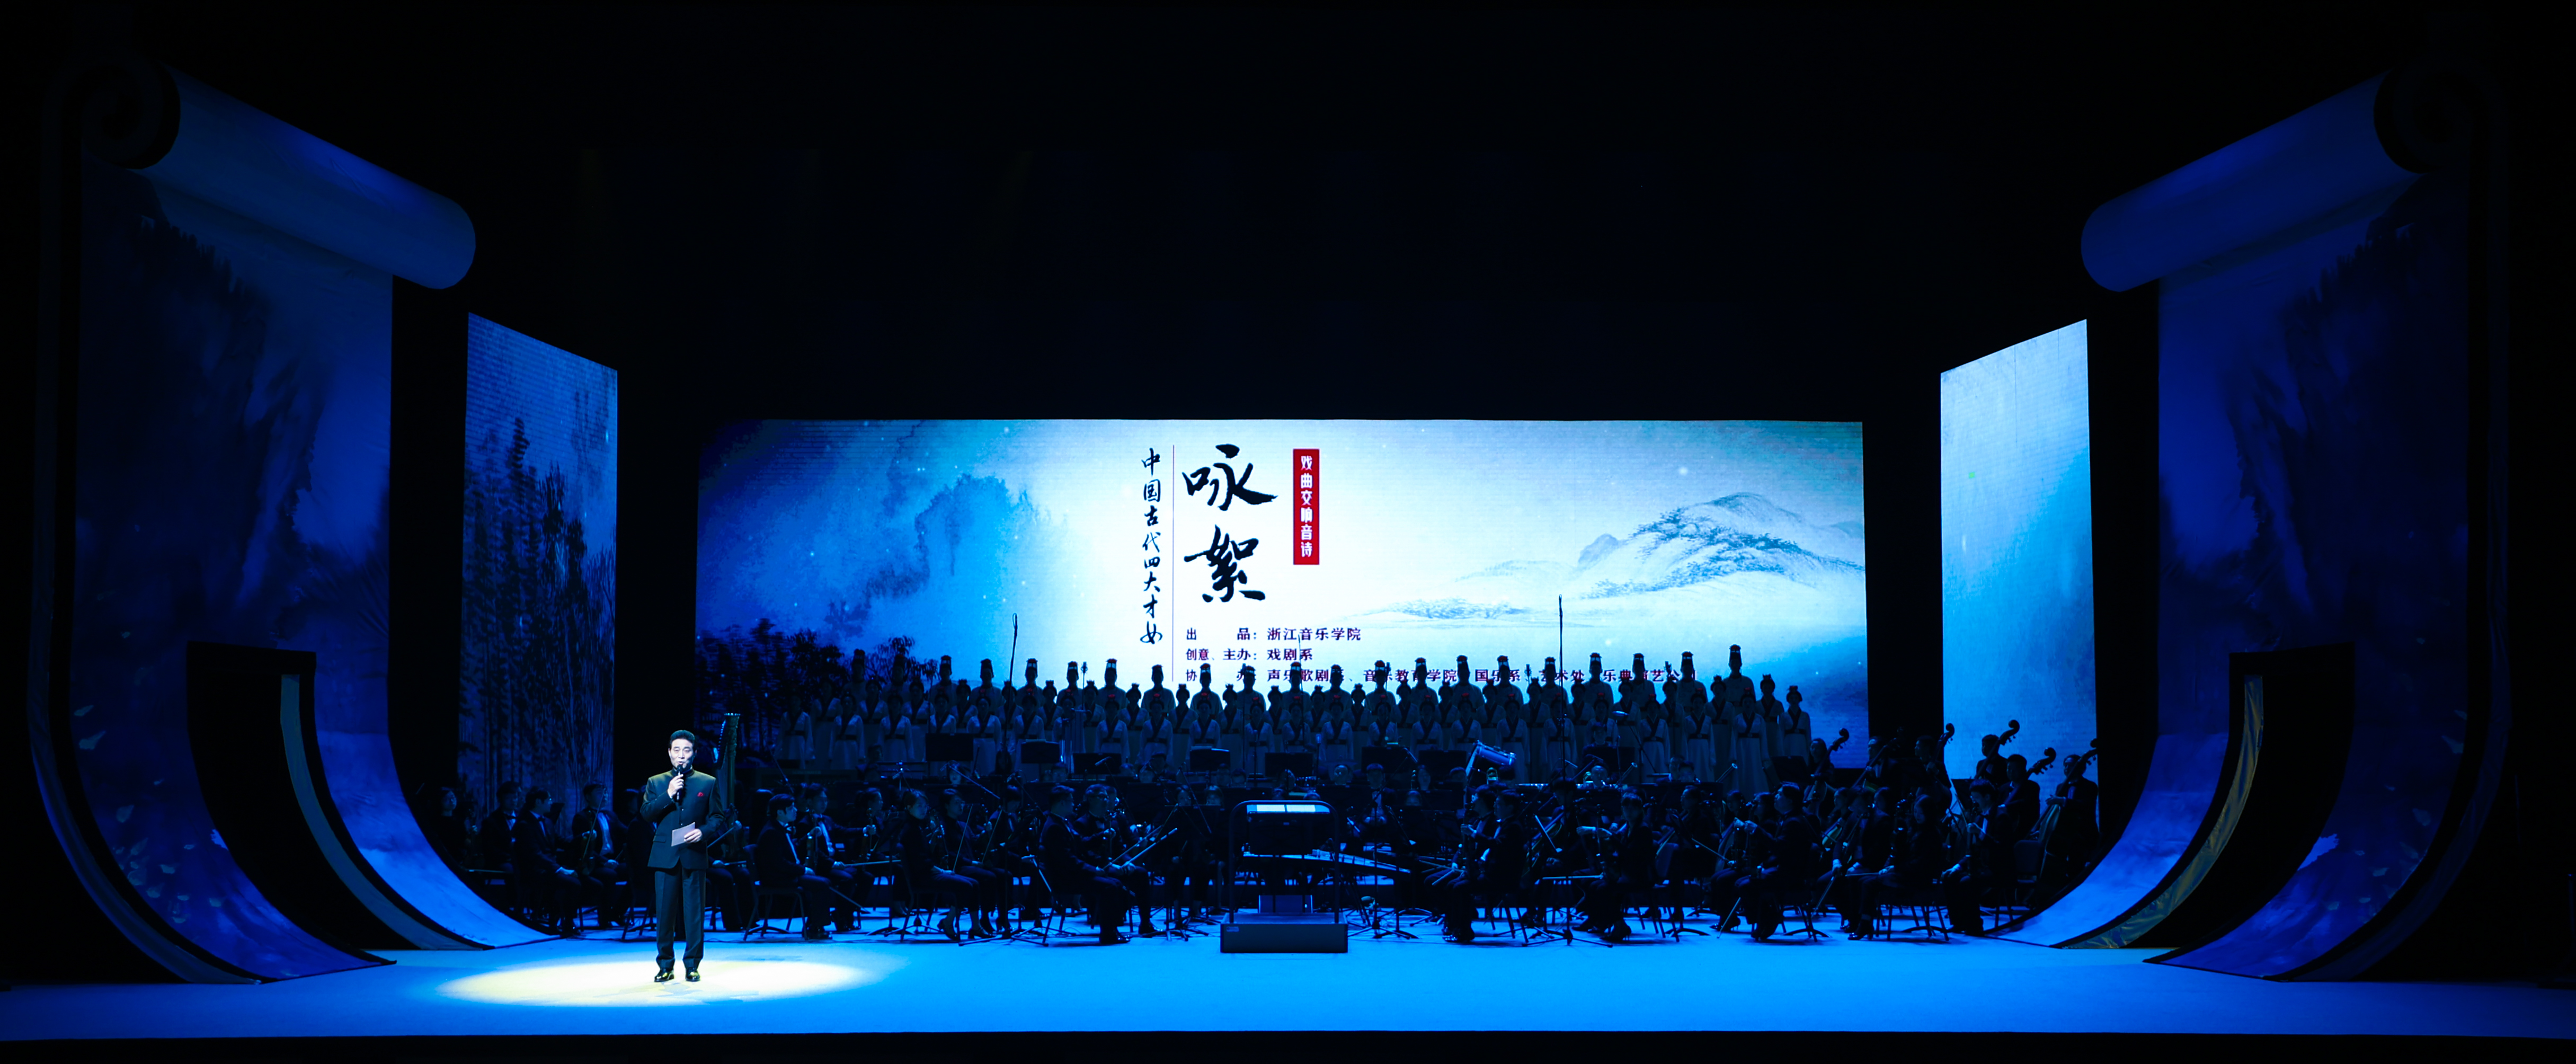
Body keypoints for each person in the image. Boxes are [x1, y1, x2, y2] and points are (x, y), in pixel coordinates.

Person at [643, 730, 723, 981]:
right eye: (676, 750)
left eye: (686, 750)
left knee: (694, 914)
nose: (681, 755)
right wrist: (668, 794)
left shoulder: (707, 782)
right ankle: (665, 965)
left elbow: (717, 816)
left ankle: (692, 965)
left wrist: (704, 832)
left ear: (694, 754)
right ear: (669, 753)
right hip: (665, 855)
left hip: (693, 853)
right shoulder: (656, 782)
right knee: (665, 914)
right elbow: (646, 813)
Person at [1039, 784, 1151, 944]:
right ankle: (1108, 934)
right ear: (1062, 803)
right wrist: (1095, 870)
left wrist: (1102, 837)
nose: (1074, 804)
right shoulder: (1054, 827)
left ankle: (1114, 930)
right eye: (1071, 801)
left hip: (1073, 873)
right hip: (1066, 879)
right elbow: (1069, 860)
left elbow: (1081, 843)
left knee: (1119, 882)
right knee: (1110, 886)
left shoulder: (1062, 822)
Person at [755, 794, 848, 942]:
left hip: (783, 874)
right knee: (822, 884)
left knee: (823, 882)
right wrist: (803, 870)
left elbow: (793, 848)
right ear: (780, 812)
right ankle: (815, 927)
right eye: (791, 808)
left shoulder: (778, 827)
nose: (796, 810)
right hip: (777, 878)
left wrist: (809, 836)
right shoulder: (771, 832)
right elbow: (779, 863)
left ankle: (814, 924)